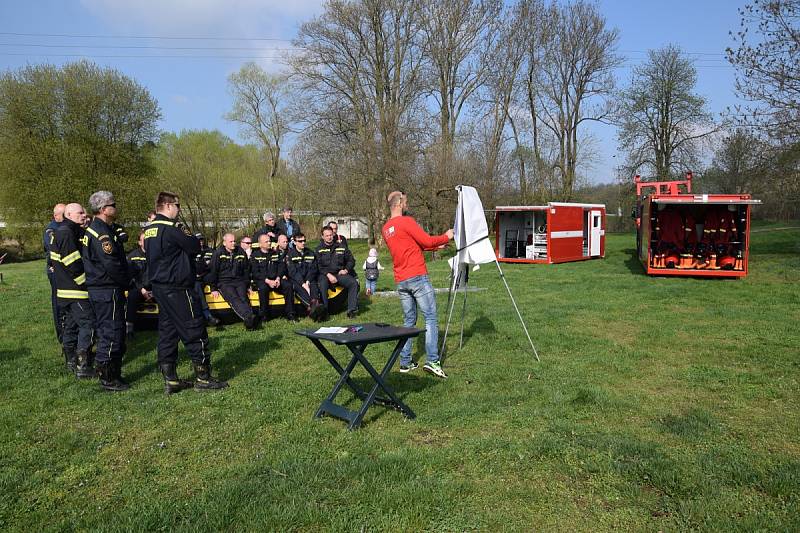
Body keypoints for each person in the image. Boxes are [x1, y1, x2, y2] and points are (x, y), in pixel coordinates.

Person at [144, 191, 227, 393]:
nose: (179, 210)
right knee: (194, 328)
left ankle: (170, 380)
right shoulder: (172, 227)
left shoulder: (149, 230)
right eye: (178, 206)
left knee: (168, 333)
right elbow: (193, 246)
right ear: (169, 206)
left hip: (161, 288)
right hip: (178, 287)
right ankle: (203, 378)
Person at [382, 191, 453, 379]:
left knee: (408, 321)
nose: (408, 204)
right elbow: (426, 240)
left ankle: (405, 362)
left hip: (401, 279)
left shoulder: (386, 228)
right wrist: (446, 237)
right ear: (399, 204)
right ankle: (432, 361)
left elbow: (412, 245)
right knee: (430, 317)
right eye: (406, 201)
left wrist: (434, 247)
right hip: (417, 277)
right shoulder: (407, 221)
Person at [82, 191, 133, 391]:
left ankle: (112, 373)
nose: (116, 207)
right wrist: (128, 282)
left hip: (103, 289)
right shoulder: (100, 234)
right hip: (106, 289)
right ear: (104, 209)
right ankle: (108, 377)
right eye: (113, 204)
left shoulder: (103, 229)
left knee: (111, 330)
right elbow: (112, 264)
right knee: (111, 332)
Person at [51, 203, 96, 378]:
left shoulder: (66, 231)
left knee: (70, 326)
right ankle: (83, 366)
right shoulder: (67, 233)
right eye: (80, 212)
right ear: (68, 214)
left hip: (65, 291)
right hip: (76, 290)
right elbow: (73, 263)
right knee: (89, 324)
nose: (83, 215)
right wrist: (87, 284)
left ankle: (71, 361)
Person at [207, 233, 257, 330]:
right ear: (225, 243)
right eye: (231, 241)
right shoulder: (218, 253)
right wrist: (213, 288)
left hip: (239, 281)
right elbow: (213, 271)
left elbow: (246, 270)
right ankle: (249, 317)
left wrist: (247, 285)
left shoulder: (240, 252)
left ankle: (250, 322)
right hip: (224, 282)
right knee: (234, 298)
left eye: (234, 241)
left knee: (243, 297)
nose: (233, 243)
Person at [251, 233, 297, 322]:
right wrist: (268, 281)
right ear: (260, 244)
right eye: (266, 241)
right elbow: (255, 272)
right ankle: (264, 315)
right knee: (263, 288)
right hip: (263, 280)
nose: (269, 243)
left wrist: (278, 278)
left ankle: (290, 313)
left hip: (276, 280)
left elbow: (281, 267)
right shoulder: (255, 256)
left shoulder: (275, 254)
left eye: (270, 241)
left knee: (288, 286)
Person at [316, 226, 359, 318]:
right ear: (322, 236)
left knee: (353, 283)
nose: (329, 237)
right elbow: (318, 266)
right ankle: (325, 312)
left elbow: (351, 260)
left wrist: (346, 270)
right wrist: (328, 275)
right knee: (323, 284)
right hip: (325, 274)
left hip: (339, 274)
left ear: (333, 235)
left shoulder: (341, 247)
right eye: (327, 235)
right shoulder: (318, 249)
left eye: (331, 235)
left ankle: (351, 310)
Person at [286, 232, 326, 321]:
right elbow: (293, 272)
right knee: (302, 291)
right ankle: (315, 311)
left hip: (309, 279)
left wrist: (308, 281)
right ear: (295, 242)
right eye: (300, 241)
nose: (303, 243)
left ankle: (316, 308)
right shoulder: (290, 254)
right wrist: (303, 283)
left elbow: (313, 269)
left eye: (304, 240)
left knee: (314, 288)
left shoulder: (310, 253)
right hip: (297, 281)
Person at [44, 203, 66, 348]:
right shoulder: (51, 229)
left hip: (68, 272)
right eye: (63, 214)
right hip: (57, 272)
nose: (66, 217)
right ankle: (62, 336)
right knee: (58, 304)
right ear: (55, 216)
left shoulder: (67, 227)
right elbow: (54, 248)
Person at [126, 232, 151, 336]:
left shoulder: (156, 254)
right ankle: (129, 328)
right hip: (138, 288)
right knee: (132, 297)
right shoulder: (133, 256)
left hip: (154, 287)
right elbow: (132, 277)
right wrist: (142, 289)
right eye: (144, 239)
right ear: (139, 242)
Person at [194, 234, 219, 326]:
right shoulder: (190, 252)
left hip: (208, 275)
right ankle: (207, 315)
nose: (200, 241)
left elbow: (213, 267)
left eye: (202, 239)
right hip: (196, 278)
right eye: (198, 240)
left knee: (214, 277)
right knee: (197, 286)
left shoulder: (211, 251)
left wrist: (213, 288)